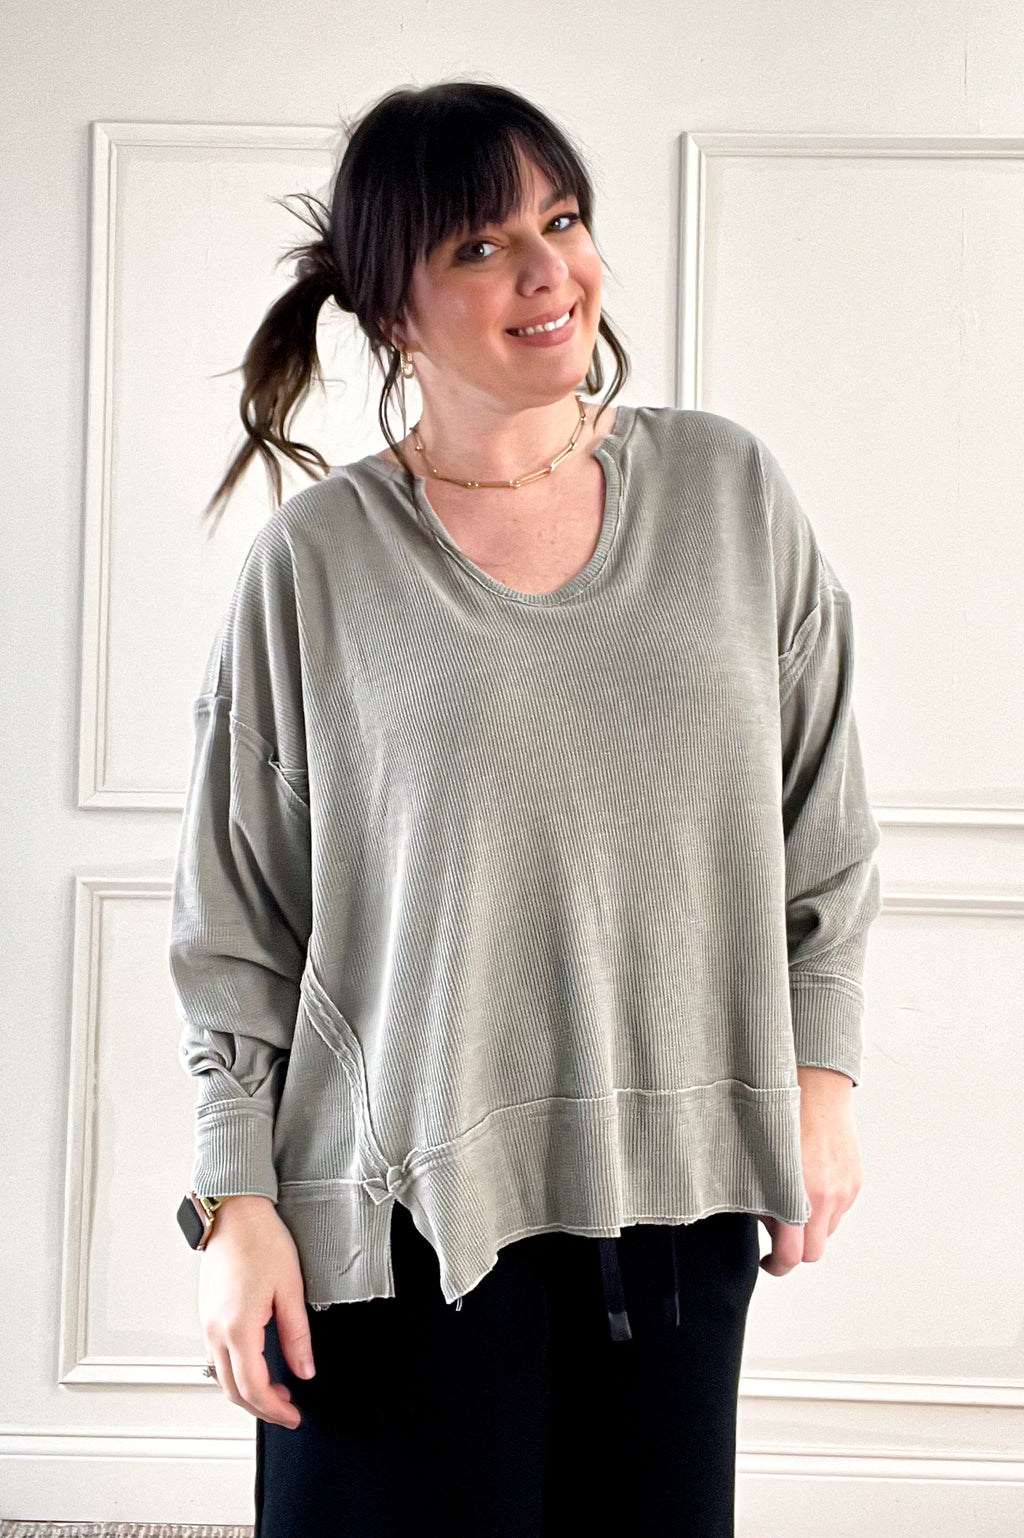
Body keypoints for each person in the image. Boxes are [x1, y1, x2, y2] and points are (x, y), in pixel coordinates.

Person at [168, 80, 883, 1538]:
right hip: (401, 1217)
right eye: (483, 246)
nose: (549, 272)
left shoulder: (730, 494)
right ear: (394, 309)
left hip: (677, 1208)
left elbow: (825, 826)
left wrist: (822, 1081)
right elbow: (237, 923)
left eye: (562, 221)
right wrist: (233, 1204)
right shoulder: (318, 564)